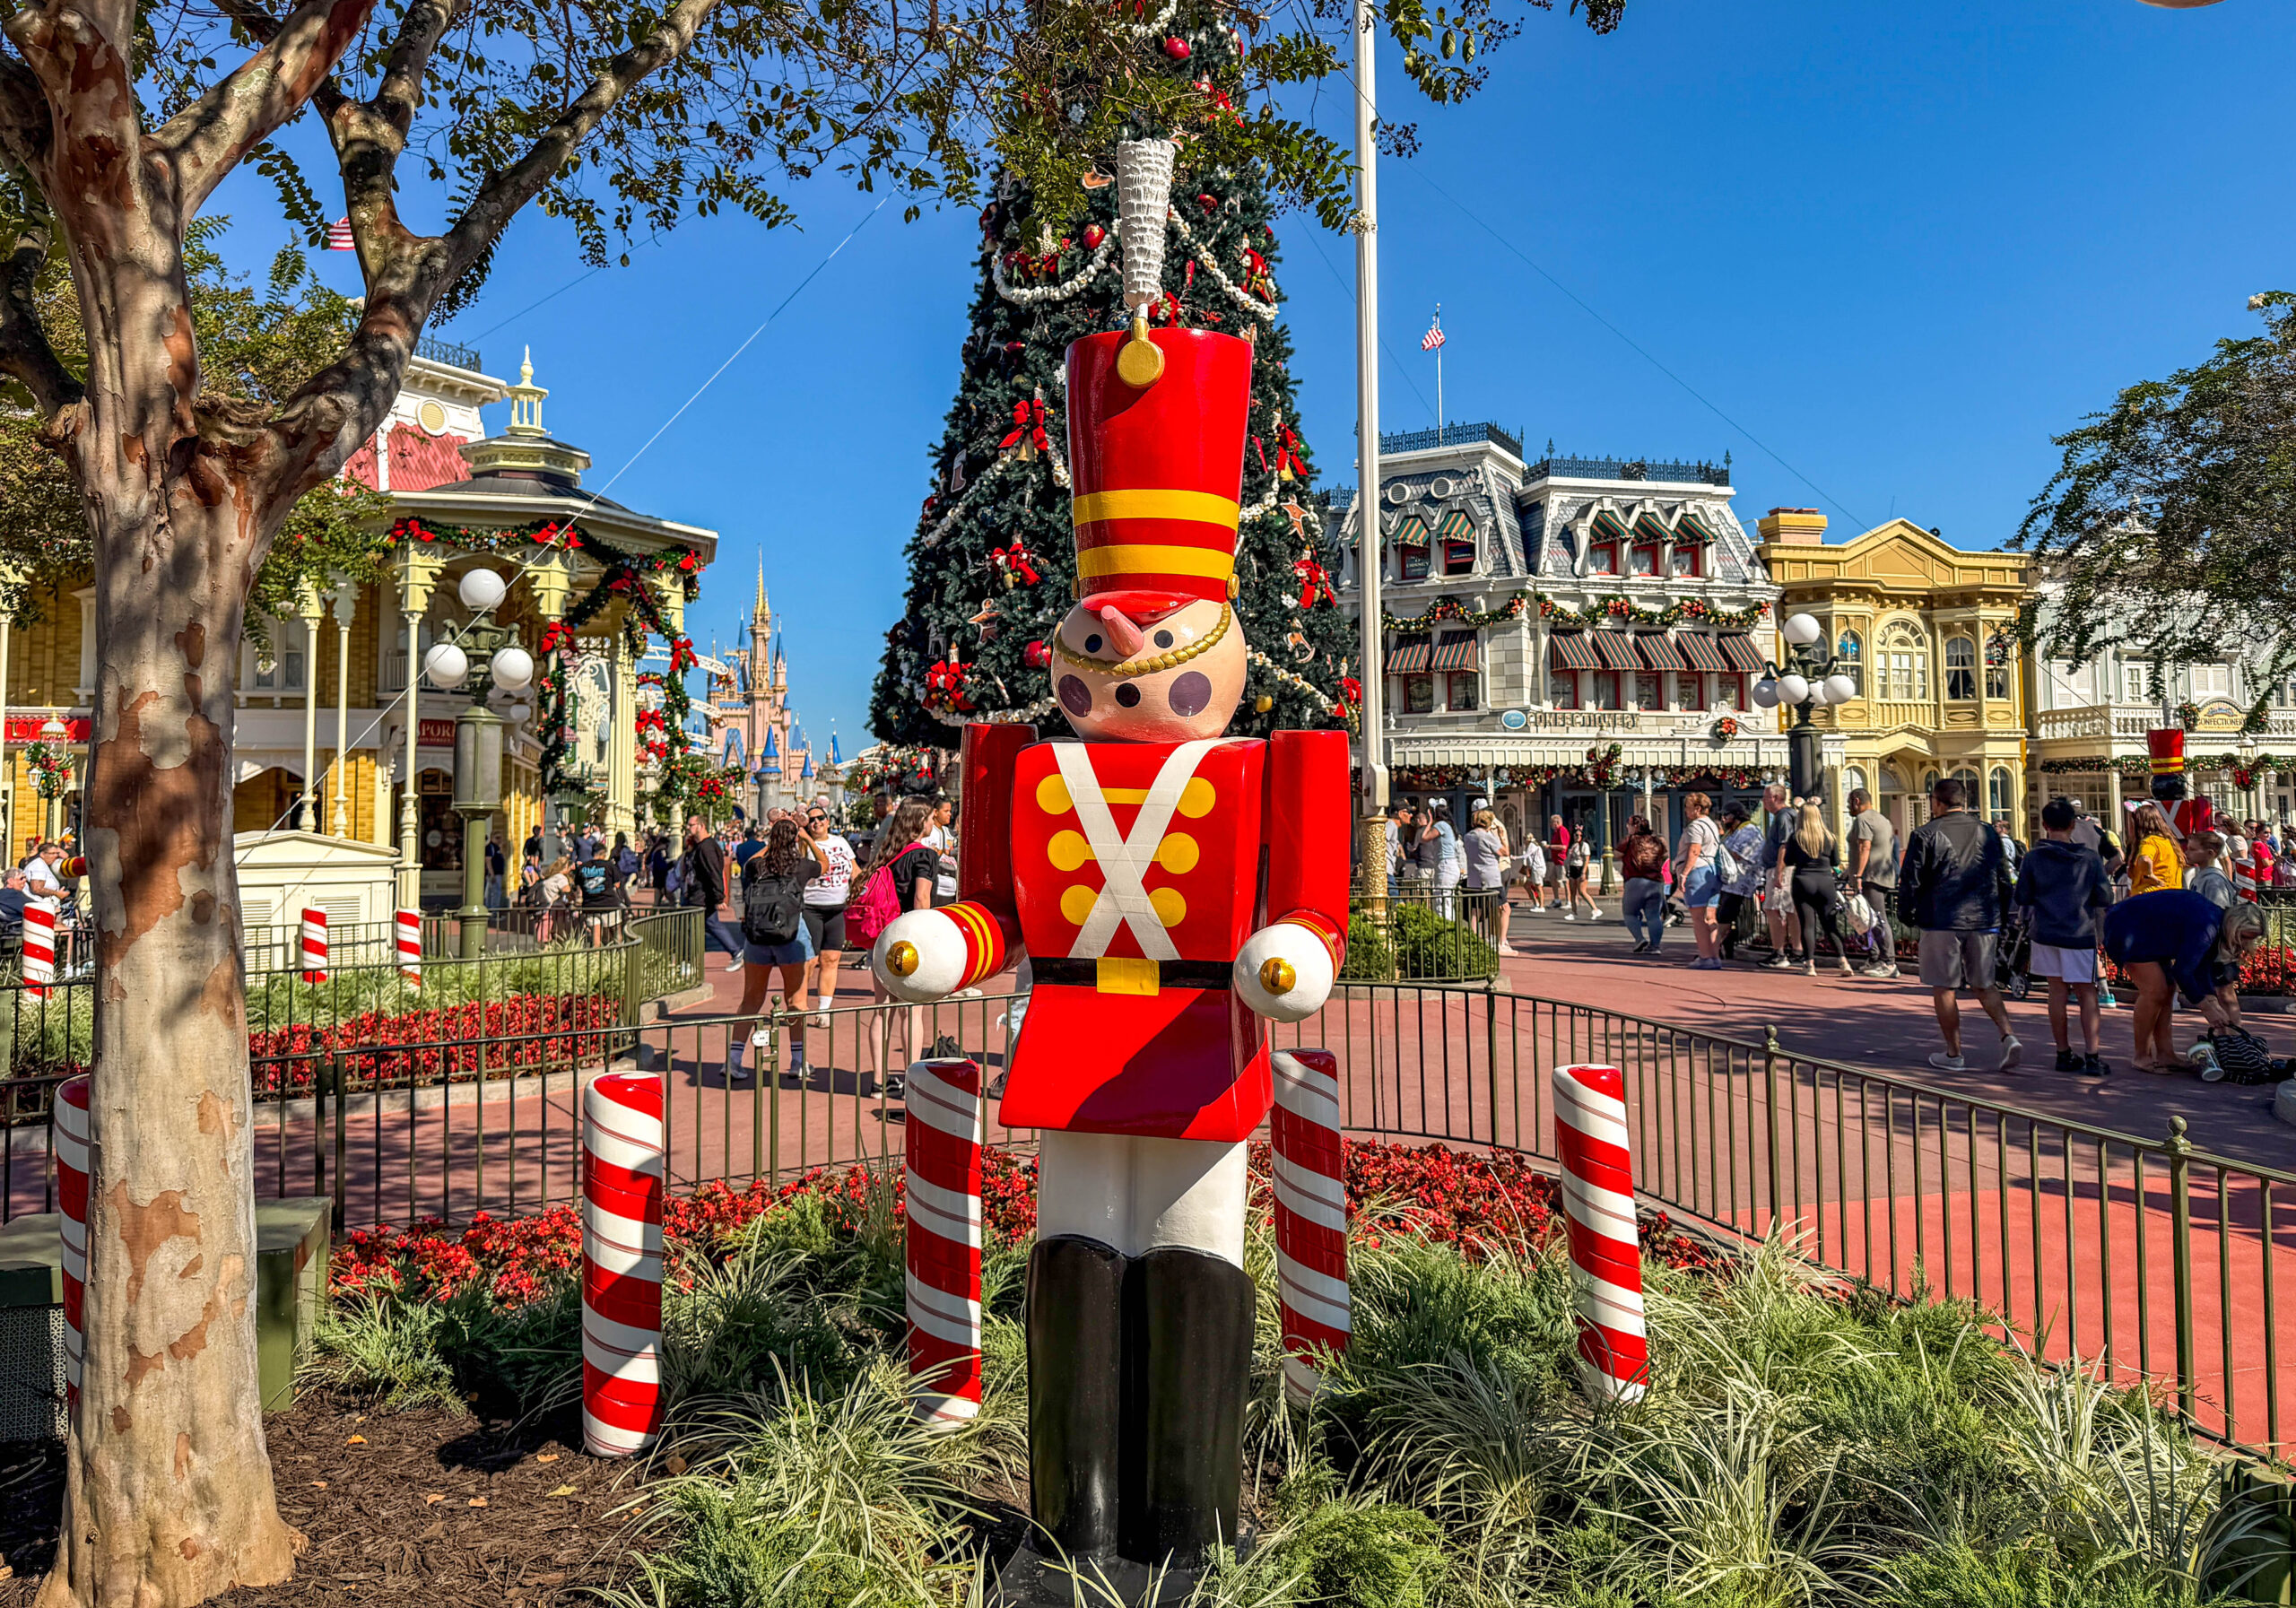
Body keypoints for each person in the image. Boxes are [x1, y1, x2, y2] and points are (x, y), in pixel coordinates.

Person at [1900, 777, 2021, 1073]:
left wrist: (1908, 914)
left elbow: (1911, 881)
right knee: (1984, 983)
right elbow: (2003, 877)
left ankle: (1954, 1053)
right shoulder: (1988, 833)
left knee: (1945, 986)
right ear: (1963, 802)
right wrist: (2003, 913)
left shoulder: (1925, 834)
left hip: (1943, 918)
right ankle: (2008, 1035)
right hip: (1984, 918)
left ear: (1937, 803)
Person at [2105, 891, 2265, 1075]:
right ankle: (2142, 1056)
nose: (2244, 943)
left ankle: (2166, 1054)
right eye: (2244, 937)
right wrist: (2205, 1006)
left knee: (2169, 989)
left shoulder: (2215, 924)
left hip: (2147, 931)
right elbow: (2183, 971)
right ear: (2235, 926)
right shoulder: (2207, 926)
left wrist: (2212, 1002)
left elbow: (2201, 968)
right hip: (2127, 928)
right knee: (2155, 992)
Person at [724, 819, 833, 1083]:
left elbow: (751, 859)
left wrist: (769, 843)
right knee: (796, 1001)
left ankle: (734, 1060)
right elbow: (825, 865)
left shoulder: (757, 866)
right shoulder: (801, 866)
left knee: (751, 999)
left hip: (758, 938)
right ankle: (797, 1060)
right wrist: (807, 838)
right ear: (795, 840)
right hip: (789, 937)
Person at [2016, 797, 2112, 1077]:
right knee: (2087, 992)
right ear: (2073, 824)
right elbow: (2104, 896)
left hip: (2046, 931)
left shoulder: (2033, 858)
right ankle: (2093, 1055)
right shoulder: (2090, 859)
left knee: (2056, 991)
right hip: (2079, 930)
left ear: (2045, 825)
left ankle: (2063, 1052)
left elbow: (2022, 895)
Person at [854, 797, 942, 1091]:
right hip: (908, 940)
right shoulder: (924, 856)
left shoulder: (887, 855)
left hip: (881, 937)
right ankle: (911, 1078)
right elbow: (921, 899)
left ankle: (878, 1081)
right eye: (929, 818)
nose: (932, 823)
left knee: (882, 1008)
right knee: (912, 1011)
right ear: (919, 822)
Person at [800, 802, 857, 1023]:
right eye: (811, 820)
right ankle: (799, 1004)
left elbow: (854, 871)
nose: (817, 823)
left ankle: (823, 1010)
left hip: (837, 908)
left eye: (820, 818)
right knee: (809, 961)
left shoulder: (840, 842)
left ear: (827, 820)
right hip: (811, 908)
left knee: (831, 959)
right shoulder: (804, 846)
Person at [1783, 801, 1855, 977]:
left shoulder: (1796, 837)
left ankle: (1809, 964)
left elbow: (1788, 861)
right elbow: (1835, 862)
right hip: (1825, 881)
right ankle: (1843, 961)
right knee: (1829, 923)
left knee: (1808, 925)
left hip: (1803, 880)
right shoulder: (1829, 837)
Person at [679, 813, 744, 970]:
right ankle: (736, 952)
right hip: (696, 894)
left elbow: (714, 873)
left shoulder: (707, 847)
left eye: (691, 825)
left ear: (701, 826)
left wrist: (719, 898)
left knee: (692, 929)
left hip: (701, 896)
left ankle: (689, 963)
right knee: (711, 924)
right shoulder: (698, 846)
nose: (689, 828)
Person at [1846, 789, 1900, 978]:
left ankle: (1889, 962)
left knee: (1877, 918)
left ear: (1857, 801)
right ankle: (1875, 957)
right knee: (1868, 919)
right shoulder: (1882, 819)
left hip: (1871, 876)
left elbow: (1864, 846)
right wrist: (1848, 871)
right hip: (1882, 874)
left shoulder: (1863, 819)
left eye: (1849, 802)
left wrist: (1858, 874)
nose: (1847, 807)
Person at [1674, 794, 1724, 968]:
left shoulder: (1695, 826)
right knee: (1711, 917)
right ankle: (1715, 955)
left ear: (1697, 809)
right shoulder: (1712, 825)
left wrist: (1684, 873)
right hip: (1712, 870)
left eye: (1688, 808)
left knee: (1697, 917)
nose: (1686, 811)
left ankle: (1705, 956)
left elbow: (1694, 850)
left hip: (1698, 871)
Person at [1756, 784, 1803, 969]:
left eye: (1766, 797)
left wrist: (1779, 870)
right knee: (1791, 910)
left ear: (1775, 798)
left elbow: (1785, 844)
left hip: (1781, 869)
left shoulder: (1783, 817)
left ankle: (1779, 952)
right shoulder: (1788, 815)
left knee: (1772, 909)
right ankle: (1797, 951)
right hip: (1785, 868)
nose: (1764, 801)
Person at [1716, 803, 1763, 963]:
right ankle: (1724, 948)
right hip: (1729, 881)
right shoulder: (1732, 832)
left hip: (1741, 882)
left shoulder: (1749, 831)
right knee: (1724, 915)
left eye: (1726, 815)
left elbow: (1739, 854)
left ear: (1736, 815)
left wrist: (1720, 850)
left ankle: (1716, 947)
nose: (1724, 819)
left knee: (1725, 916)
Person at [1463, 808, 1511, 953]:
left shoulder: (1468, 836)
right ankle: (1502, 942)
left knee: (1475, 911)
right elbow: (1505, 852)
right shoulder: (1487, 836)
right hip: (1491, 877)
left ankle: (1473, 940)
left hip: (1474, 877)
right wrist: (1502, 837)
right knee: (1504, 909)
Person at [1618, 815, 1668, 956]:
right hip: (1655, 881)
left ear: (1635, 827)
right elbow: (1665, 855)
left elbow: (1616, 854)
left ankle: (1639, 939)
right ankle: (1655, 946)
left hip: (1634, 880)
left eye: (1628, 825)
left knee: (1629, 913)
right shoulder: (1657, 841)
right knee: (1654, 916)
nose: (1627, 827)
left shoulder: (1629, 840)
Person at [574, 840, 626, 944]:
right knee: (616, 934)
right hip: (609, 904)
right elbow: (617, 884)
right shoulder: (609, 866)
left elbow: (578, 886)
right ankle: (618, 954)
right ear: (604, 854)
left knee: (595, 937)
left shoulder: (582, 867)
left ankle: (596, 956)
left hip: (590, 906)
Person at [1420, 799, 1464, 920]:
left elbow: (1424, 838)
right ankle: (1450, 927)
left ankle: (1445, 929)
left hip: (1445, 864)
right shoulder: (1449, 826)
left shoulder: (1441, 825)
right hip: (1450, 864)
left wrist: (1429, 822)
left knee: (1442, 899)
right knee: (1447, 900)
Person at [2127, 802, 2183, 895]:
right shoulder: (2169, 842)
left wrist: (2149, 875)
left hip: (2150, 897)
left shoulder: (2149, 842)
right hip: (2172, 895)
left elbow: (2145, 859)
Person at [1559, 814, 1600, 922]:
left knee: (1582, 891)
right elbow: (1568, 859)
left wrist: (1583, 872)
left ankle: (1595, 909)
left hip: (1580, 868)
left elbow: (1586, 859)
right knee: (1573, 892)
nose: (1576, 837)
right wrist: (1567, 869)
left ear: (1582, 836)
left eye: (1578, 835)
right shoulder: (1573, 846)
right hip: (1572, 868)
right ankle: (1574, 911)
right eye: (1575, 835)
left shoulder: (1584, 846)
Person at [2184, 830, 2235, 910]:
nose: (2186, 852)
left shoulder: (2214, 881)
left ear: (2210, 853)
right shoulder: (2198, 877)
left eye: (2192, 849)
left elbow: (2218, 911)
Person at [923, 795, 960, 904]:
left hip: (952, 888)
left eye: (950, 811)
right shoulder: (928, 833)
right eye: (946, 811)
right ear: (935, 812)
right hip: (938, 889)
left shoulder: (949, 832)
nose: (950, 814)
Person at [536, 855, 574, 944]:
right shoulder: (561, 878)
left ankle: (546, 945)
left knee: (545, 925)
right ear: (565, 867)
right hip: (554, 907)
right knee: (557, 927)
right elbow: (567, 891)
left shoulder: (551, 876)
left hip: (544, 905)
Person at [1544, 814, 1571, 914]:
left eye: (1552, 823)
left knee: (1564, 881)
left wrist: (1550, 846)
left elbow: (1564, 846)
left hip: (1561, 860)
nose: (1551, 825)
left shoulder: (1562, 831)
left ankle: (1569, 901)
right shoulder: (1556, 832)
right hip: (1556, 860)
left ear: (1557, 823)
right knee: (1552, 878)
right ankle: (1557, 900)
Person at [483, 832, 508, 911]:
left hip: (499, 873)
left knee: (494, 892)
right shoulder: (490, 847)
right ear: (492, 838)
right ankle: (494, 911)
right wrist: (492, 874)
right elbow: (488, 861)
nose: (499, 840)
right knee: (494, 893)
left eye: (500, 838)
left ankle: (492, 911)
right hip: (494, 874)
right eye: (497, 838)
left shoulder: (497, 848)